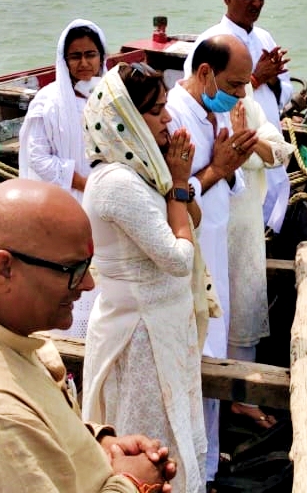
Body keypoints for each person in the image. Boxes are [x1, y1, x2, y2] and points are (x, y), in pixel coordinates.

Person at [0, 178, 177, 493]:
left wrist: (98, 444)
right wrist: (132, 484)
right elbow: (12, 436)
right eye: (71, 270)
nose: (88, 284)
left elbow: (35, 424)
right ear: (4, 269)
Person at [80, 62, 210, 493]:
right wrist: (176, 182)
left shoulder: (142, 171)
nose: (168, 119)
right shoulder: (117, 183)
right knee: (148, 450)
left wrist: (177, 185)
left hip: (164, 330)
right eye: (156, 112)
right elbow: (178, 257)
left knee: (175, 435)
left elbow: (191, 217)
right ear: (128, 120)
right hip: (140, 338)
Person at [165, 35, 258, 481]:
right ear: (204, 74)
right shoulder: (175, 119)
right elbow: (177, 197)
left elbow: (227, 182)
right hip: (191, 254)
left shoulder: (211, 110)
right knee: (197, 356)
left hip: (213, 250)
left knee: (214, 350)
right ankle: (191, 470)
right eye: (235, 84)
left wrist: (230, 161)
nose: (240, 95)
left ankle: (206, 464)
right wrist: (218, 169)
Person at [19, 18, 110, 338]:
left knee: (105, 275)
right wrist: (83, 183)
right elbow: (38, 157)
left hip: (107, 199)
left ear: (101, 56)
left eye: (90, 54)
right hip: (68, 199)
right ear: (64, 59)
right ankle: (69, 339)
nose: (84, 63)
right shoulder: (48, 100)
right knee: (71, 270)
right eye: (76, 56)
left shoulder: (112, 96)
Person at [185, 0, 293, 232]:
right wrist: (255, 78)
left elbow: (285, 92)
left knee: (263, 218)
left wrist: (272, 79)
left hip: (265, 138)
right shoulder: (210, 42)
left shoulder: (265, 37)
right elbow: (202, 96)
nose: (256, 3)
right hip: (231, 149)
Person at [224, 98, 294, 430]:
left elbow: (279, 153)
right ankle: (213, 398)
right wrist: (247, 147)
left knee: (243, 307)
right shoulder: (189, 112)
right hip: (209, 229)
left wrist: (247, 140)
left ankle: (243, 398)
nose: (238, 90)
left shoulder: (249, 108)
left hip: (245, 228)